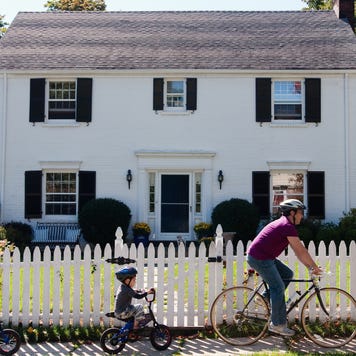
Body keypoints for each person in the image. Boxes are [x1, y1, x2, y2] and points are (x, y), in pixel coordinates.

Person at [246, 199, 322, 337]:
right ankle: (277, 325)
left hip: (264, 256)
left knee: (287, 274)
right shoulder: (286, 226)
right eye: (300, 212)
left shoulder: (284, 224)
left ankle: (265, 298)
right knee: (278, 287)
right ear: (292, 213)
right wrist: (314, 267)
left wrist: (310, 267)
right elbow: (300, 250)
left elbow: (298, 252)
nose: (302, 216)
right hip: (259, 257)